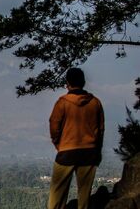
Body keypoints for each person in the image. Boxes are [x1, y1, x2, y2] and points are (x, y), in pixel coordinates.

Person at [47, 68, 105, 209]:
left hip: (66, 152)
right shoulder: (95, 103)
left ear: (67, 83)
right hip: (89, 153)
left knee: (57, 196)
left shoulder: (62, 103)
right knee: (84, 197)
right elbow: (100, 130)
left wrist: (59, 145)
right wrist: (97, 151)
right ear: (84, 82)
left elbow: (54, 127)